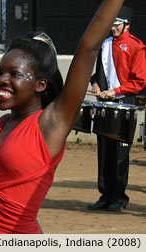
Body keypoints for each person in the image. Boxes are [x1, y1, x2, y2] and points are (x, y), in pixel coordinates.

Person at [0, 0, 125, 234]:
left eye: (15, 74)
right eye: (0, 72)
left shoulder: (52, 123)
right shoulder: (1, 126)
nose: (2, 79)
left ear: (41, 84)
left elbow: (88, 47)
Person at [88, 6, 146, 212]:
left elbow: (139, 81)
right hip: (105, 104)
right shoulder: (104, 45)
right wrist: (95, 84)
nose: (112, 27)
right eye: (111, 24)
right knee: (104, 152)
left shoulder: (136, 47)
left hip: (124, 105)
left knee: (120, 154)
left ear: (127, 25)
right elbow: (98, 75)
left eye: (116, 24)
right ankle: (105, 195)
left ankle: (119, 198)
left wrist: (116, 91)